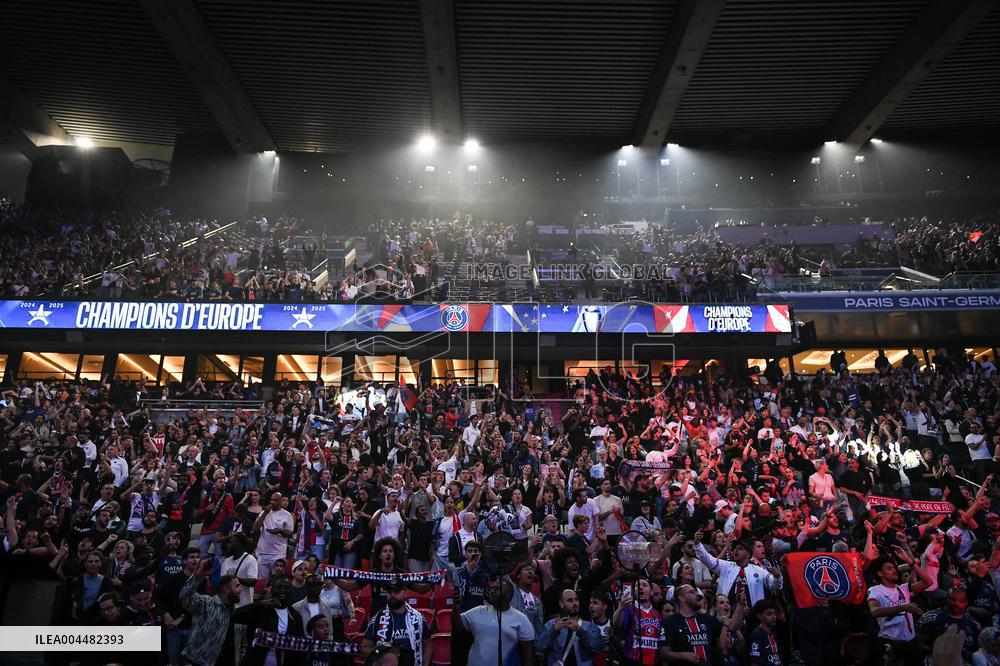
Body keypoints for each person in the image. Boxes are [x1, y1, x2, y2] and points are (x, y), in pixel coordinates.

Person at [867, 552, 934, 662]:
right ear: (880, 573)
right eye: (889, 568)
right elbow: (875, 611)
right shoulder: (875, 590)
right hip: (891, 642)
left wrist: (911, 562)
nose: (894, 570)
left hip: (911, 641)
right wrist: (904, 607)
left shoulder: (903, 588)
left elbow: (928, 582)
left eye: (894, 568)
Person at [459, 577, 536, 666]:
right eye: (491, 589)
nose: (491, 591)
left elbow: (528, 656)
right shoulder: (479, 611)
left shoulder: (521, 619)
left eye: (497, 589)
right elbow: (457, 624)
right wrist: (456, 605)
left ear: (508, 594)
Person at [233, 575, 307, 666]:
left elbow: (300, 646)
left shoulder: (295, 615)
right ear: (272, 590)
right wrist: (261, 603)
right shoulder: (261, 610)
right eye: (279, 587)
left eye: (287, 588)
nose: (283, 590)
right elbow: (234, 616)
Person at [180, 558, 242, 666]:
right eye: (237, 586)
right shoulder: (207, 604)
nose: (240, 590)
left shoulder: (239, 612)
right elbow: (185, 596)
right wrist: (198, 575)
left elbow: (241, 644)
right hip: (202, 662)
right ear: (227, 589)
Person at [361, 580, 431, 666]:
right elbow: (364, 649)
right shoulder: (377, 620)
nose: (392, 595)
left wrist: (425, 664)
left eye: (397, 591)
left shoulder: (418, 618)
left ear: (405, 592)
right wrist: (383, 651)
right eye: (390, 592)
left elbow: (428, 644)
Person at [662, 583, 727, 666]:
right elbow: (664, 654)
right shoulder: (670, 622)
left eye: (697, 592)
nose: (698, 595)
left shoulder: (708, 619)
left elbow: (722, 645)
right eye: (692, 592)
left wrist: (740, 605)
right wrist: (684, 656)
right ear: (682, 597)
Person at [537, 588, 606, 666]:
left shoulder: (589, 627)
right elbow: (539, 647)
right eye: (570, 600)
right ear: (561, 604)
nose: (575, 603)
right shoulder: (551, 625)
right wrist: (554, 630)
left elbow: (598, 648)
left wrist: (580, 631)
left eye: (576, 600)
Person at [256, 491, 295, 580]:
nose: (272, 502)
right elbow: (254, 528)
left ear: (281, 501)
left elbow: (290, 533)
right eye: (271, 500)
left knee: (277, 579)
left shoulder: (287, 515)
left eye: (276, 500)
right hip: (263, 552)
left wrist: (280, 531)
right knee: (262, 581)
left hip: (278, 553)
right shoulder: (264, 512)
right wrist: (265, 513)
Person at [748, 599, 784, 666]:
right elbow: (755, 663)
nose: (774, 617)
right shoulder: (757, 635)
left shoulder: (774, 633)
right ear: (759, 616)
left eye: (775, 614)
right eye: (769, 614)